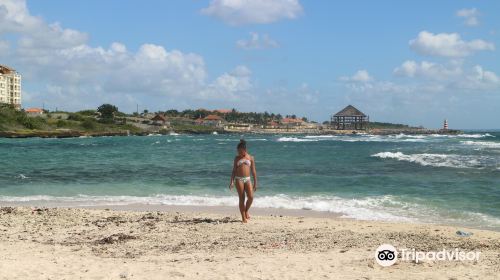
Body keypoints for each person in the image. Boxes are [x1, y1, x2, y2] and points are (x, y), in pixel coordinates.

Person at [229, 139, 257, 223]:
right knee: (242, 198)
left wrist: (255, 182)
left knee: (251, 197)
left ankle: (246, 210)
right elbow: (234, 170)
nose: (239, 153)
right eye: (238, 152)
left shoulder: (251, 158)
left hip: (248, 179)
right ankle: (243, 217)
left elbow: (253, 171)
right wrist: (232, 181)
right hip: (239, 179)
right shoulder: (236, 158)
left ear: (245, 150)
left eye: (241, 152)